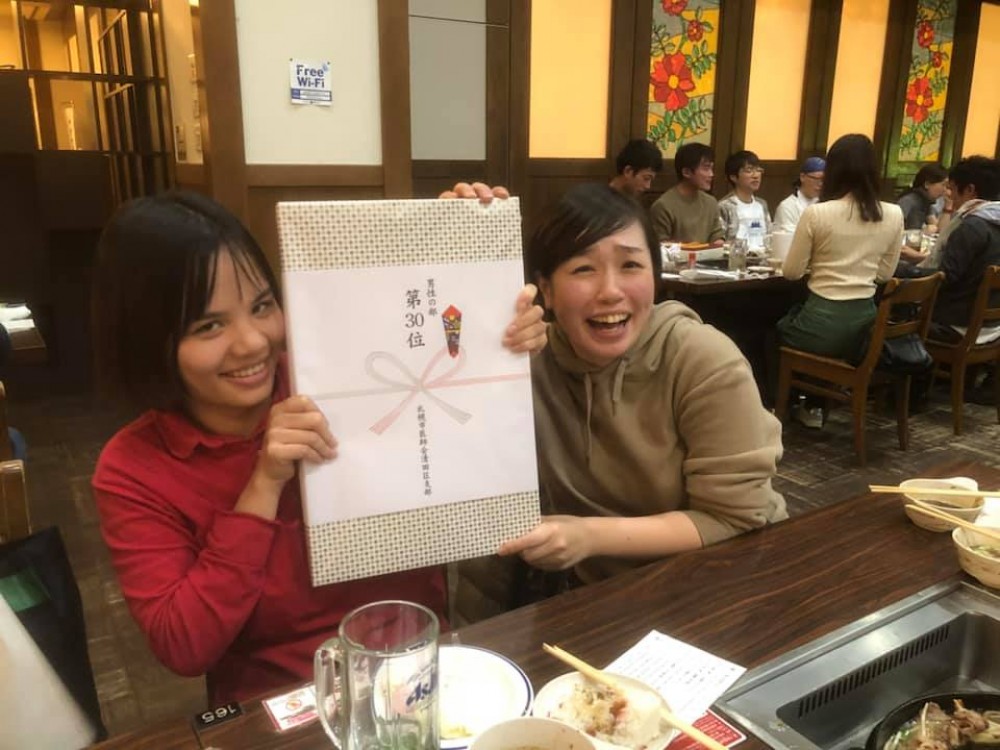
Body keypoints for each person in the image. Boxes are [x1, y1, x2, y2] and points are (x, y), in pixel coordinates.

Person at [90, 185, 546, 704]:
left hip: (417, 667)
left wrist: (462, 266)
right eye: (210, 325)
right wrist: (263, 485)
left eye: (262, 305)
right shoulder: (132, 469)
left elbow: (435, 346)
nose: (254, 342)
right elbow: (184, 645)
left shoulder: (337, 372)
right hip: (280, 704)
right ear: (146, 339)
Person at [498, 184, 786, 584]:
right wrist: (455, 234)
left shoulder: (702, 359)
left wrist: (588, 536)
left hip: (725, 576)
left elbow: (734, 517)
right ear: (545, 289)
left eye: (631, 265)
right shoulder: (526, 359)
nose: (610, 292)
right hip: (603, 592)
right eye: (583, 269)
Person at [777, 134, 903, 428]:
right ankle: (814, 405)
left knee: (775, 331)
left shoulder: (817, 213)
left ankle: (783, 406)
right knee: (808, 331)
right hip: (864, 329)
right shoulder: (894, 213)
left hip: (821, 322)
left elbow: (792, 272)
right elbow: (885, 275)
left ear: (832, 170)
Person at [926, 156, 1000, 404]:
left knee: (896, 316)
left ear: (969, 190)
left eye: (951, 188)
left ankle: (906, 394)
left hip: (960, 326)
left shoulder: (972, 226)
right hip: (993, 325)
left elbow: (943, 278)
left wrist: (908, 275)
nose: (948, 194)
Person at [649, 142, 725, 245]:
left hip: (709, 255)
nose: (711, 174)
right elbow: (660, 245)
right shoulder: (663, 206)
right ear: (686, 172)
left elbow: (717, 236)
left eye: (711, 168)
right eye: (706, 168)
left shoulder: (711, 202)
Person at [718, 150, 772, 249]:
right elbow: (720, 242)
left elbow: (769, 236)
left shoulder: (762, 204)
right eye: (749, 170)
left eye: (758, 170)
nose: (756, 175)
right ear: (733, 177)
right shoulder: (725, 206)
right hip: (737, 256)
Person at [773, 156, 825, 233]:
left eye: (823, 180)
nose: (820, 184)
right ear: (802, 177)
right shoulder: (787, 206)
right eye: (816, 179)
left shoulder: (825, 204)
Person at [898, 164, 949, 232]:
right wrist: (921, 232)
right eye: (943, 185)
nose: (945, 189)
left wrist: (948, 207)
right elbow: (894, 229)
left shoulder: (927, 203)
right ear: (927, 184)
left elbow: (939, 230)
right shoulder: (907, 201)